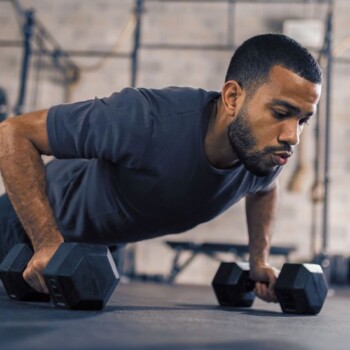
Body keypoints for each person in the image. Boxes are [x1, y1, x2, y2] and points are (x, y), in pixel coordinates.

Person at [0, 33, 322, 304]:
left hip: (94, 253)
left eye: (303, 120)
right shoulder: (146, 120)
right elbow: (14, 132)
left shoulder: (265, 155)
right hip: (23, 226)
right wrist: (45, 240)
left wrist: (259, 259)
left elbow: (265, 188)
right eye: (281, 112)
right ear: (233, 97)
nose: (292, 136)